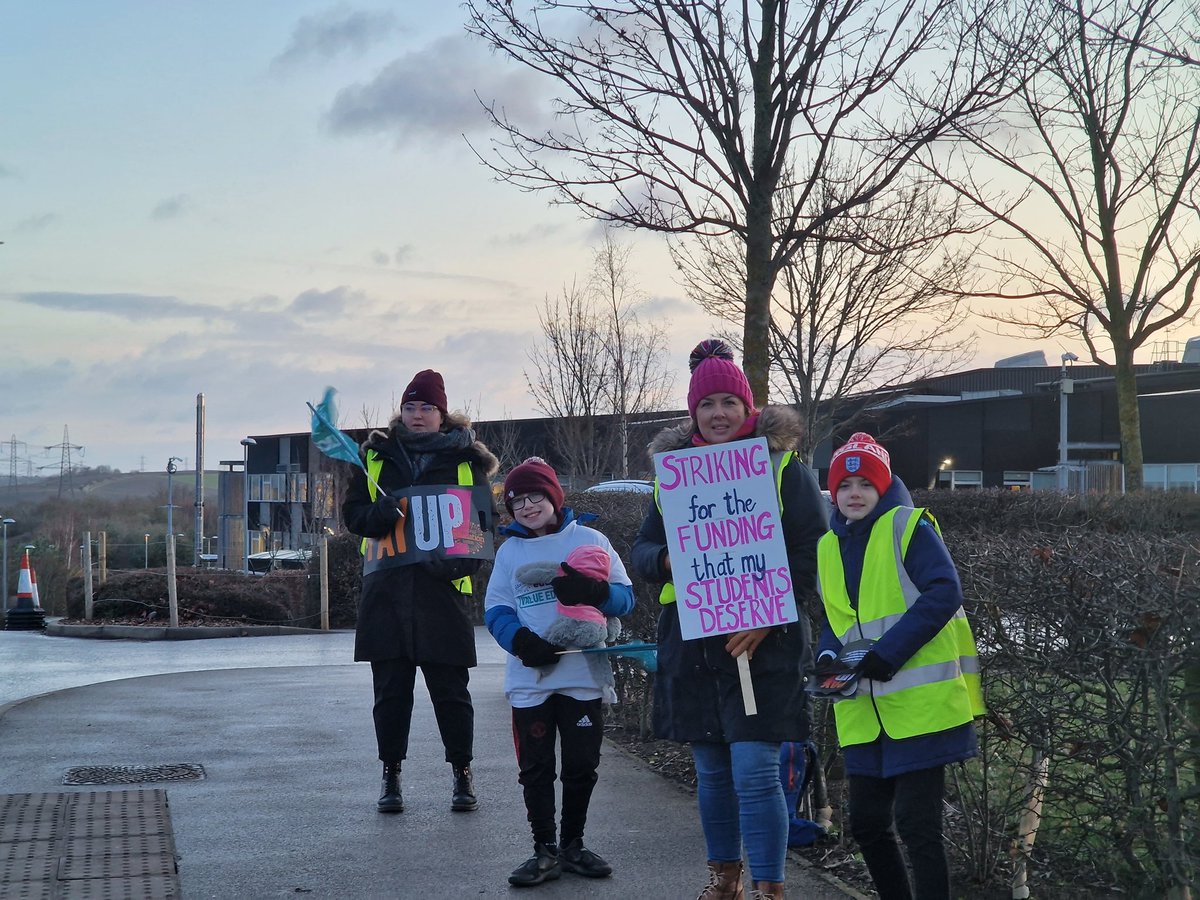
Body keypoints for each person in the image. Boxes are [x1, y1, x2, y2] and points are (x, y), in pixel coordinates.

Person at [631, 340, 828, 900]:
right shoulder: (674, 475)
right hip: (693, 642)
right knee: (713, 773)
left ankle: (770, 886)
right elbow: (643, 548)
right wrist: (667, 557)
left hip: (765, 645)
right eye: (707, 404)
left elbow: (812, 553)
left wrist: (767, 618)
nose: (718, 413)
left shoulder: (785, 468)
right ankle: (724, 881)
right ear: (693, 413)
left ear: (748, 407)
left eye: (729, 402)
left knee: (755, 770)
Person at [815, 433, 985, 900]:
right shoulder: (828, 546)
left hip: (922, 708)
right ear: (832, 491)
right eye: (844, 483)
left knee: (917, 826)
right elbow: (837, 619)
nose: (854, 492)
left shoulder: (909, 527)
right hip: (863, 710)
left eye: (865, 483)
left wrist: (889, 653)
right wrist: (828, 658)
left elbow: (944, 593)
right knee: (868, 825)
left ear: (883, 487)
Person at [341, 369, 498, 814]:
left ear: (442, 414)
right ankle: (390, 777)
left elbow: (482, 525)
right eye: (410, 407)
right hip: (386, 594)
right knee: (390, 696)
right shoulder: (374, 458)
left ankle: (462, 774)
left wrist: (456, 565)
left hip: (441, 595)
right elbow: (353, 515)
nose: (417, 415)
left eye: (426, 408)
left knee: (452, 694)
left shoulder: (466, 461)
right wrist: (380, 515)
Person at [484, 457, 635, 887]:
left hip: (583, 674)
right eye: (517, 502)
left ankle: (573, 844)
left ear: (554, 496)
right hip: (530, 678)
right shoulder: (510, 551)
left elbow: (625, 599)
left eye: (535, 497)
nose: (528, 507)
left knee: (581, 764)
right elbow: (496, 609)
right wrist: (520, 642)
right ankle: (543, 849)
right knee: (535, 768)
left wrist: (596, 591)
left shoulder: (590, 538)